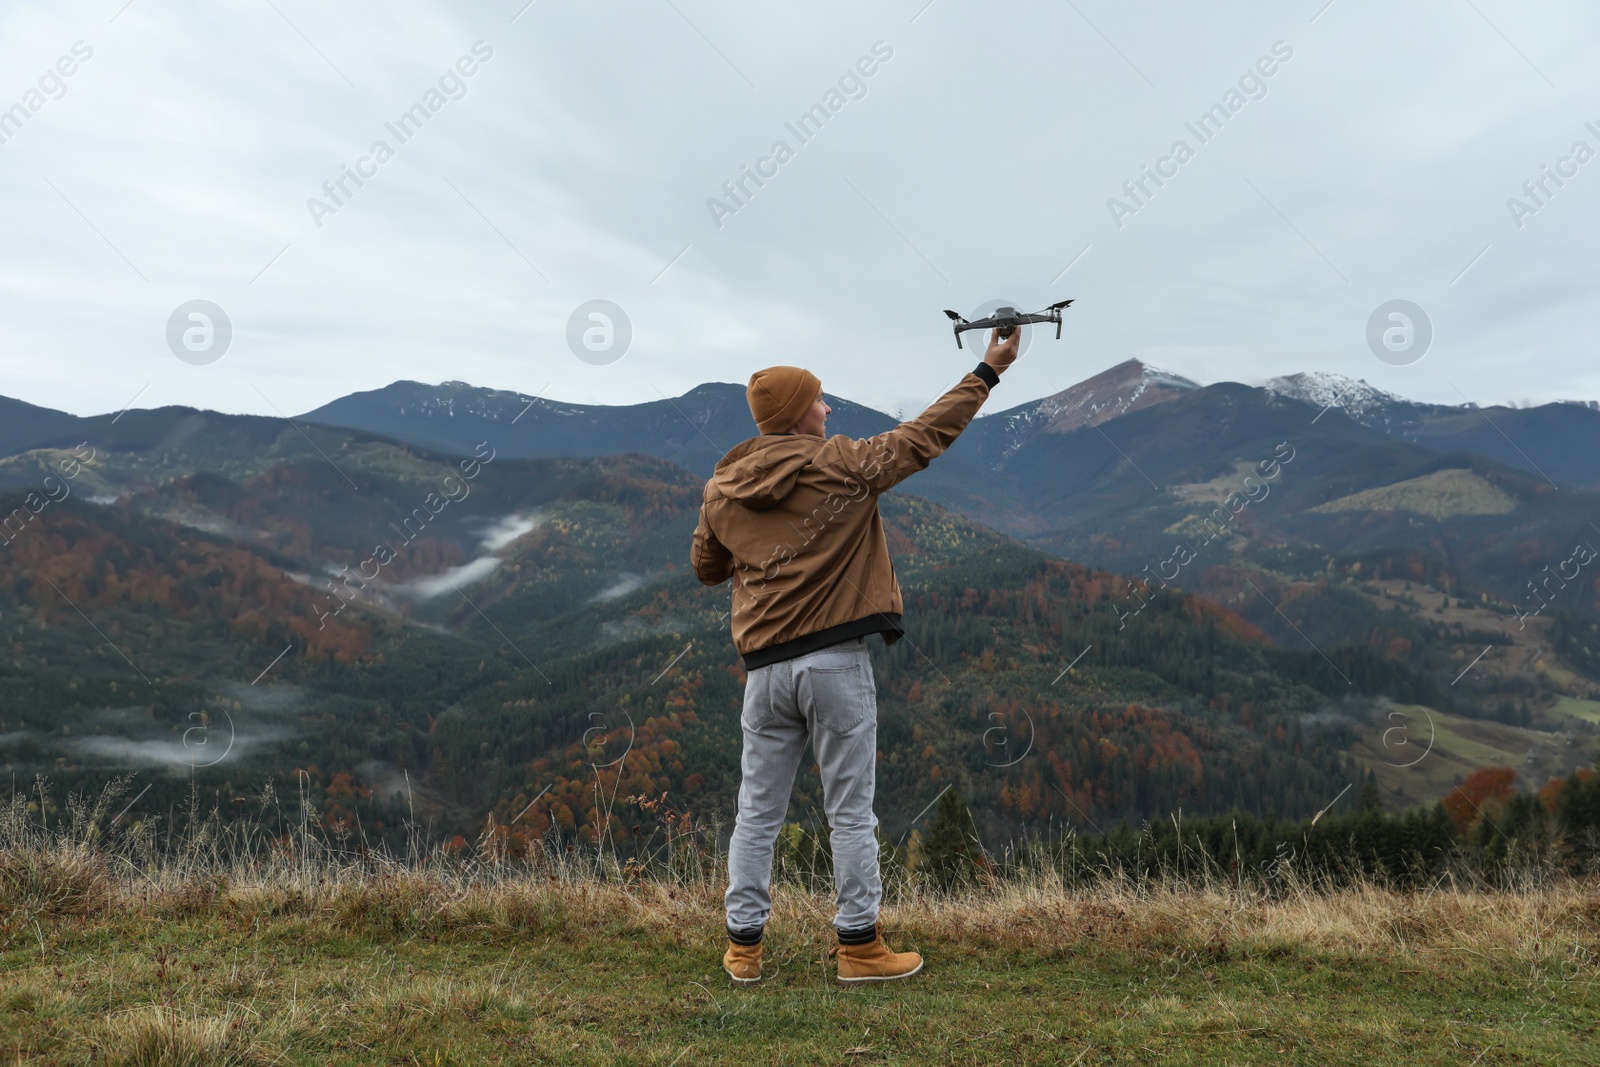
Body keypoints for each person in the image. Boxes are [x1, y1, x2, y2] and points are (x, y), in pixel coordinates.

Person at [690, 327, 1022, 984]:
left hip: (763, 672)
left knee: (756, 811)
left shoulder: (722, 489)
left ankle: (744, 949)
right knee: (849, 809)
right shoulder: (841, 463)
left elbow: (706, 566)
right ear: (797, 413)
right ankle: (860, 946)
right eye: (818, 401)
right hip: (834, 663)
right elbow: (923, 438)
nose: (829, 410)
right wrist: (988, 369)